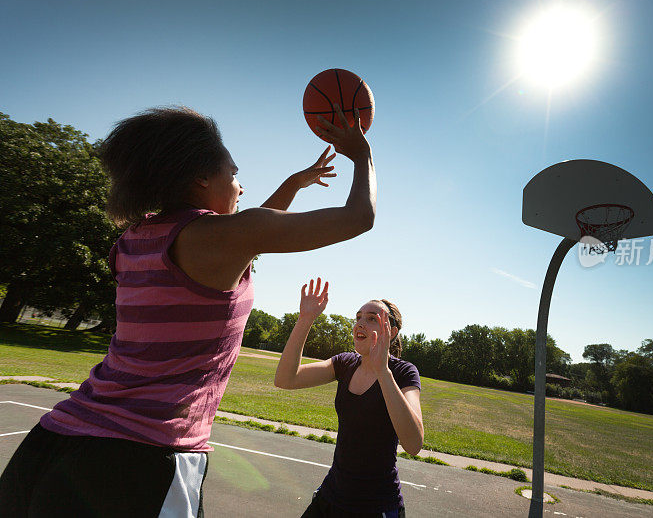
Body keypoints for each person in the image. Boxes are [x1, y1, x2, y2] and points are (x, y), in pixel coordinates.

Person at [0, 104, 375, 517]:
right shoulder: (213, 239)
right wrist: (362, 155)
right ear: (200, 179)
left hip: (51, 442)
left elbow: (247, 234)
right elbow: (359, 217)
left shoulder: (137, 237)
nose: (240, 187)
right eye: (233, 175)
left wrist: (294, 183)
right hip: (137, 459)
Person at [274, 278, 423, 518]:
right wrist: (306, 319)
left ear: (392, 332)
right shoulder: (345, 363)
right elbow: (285, 379)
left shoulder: (403, 372)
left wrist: (383, 372)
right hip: (331, 496)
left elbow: (414, 444)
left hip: (376, 507)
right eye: (358, 317)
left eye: (372, 318)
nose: (360, 324)